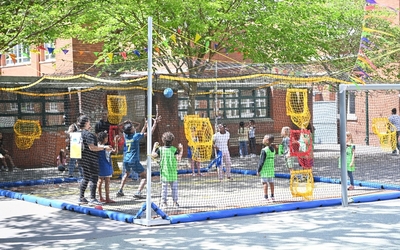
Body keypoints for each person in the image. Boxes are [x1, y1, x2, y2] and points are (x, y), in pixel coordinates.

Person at [116, 115, 161, 198]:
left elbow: (139, 133)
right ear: (131, 130)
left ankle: (120, 190)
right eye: (133, 127)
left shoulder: (126, 136)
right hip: (134, 160)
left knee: (126, 173)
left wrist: (144, 126)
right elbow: (150, 133)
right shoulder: (135, 136)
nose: (134, 128)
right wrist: (155, 123)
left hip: (126, 159)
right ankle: (138, 192)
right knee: (145, 176)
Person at [77, 115, 113, 205]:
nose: (90, 123)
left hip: (81, 159)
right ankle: (93, 198)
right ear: (85, 123)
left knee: (85, 178)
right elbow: (92, 147)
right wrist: (104, 148)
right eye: (88, 121)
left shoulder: (77, 133)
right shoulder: (88, 134)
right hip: (90, 159)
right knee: (94, 178)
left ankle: (81, 197)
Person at [152, 132, 183, 208]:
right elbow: (178, 159)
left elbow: (152, 155)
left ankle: (164, 203)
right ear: (172, 141)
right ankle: (175, 202)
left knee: (164, 189)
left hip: (164, 173)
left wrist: (154, 147)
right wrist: (181, 149)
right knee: (174, 189)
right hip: (173, 173)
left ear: (163, 140)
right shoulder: (174, 150)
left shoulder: (160, 149)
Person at [97, 131, 118, 203]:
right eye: (106, 138)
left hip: (99, 165)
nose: (107, 139)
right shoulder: (106, 147)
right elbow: (115, 152)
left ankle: (100, 197)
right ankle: (107, 198)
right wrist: (116, 142)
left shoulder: (97, 146)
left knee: (100, 181)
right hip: (106, 165)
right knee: (107, 182)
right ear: (103, 139)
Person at [257, 134, 276, 201]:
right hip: (271, 169)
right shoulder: (273, 149)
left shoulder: (264, 150)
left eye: (264, 138)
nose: (263, 139)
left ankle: (266, 197)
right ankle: (272, 196)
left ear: (267, 141)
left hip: (265, 170)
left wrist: (258, 170)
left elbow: (261, 161)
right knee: (271, 182)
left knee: (264, 183)